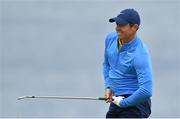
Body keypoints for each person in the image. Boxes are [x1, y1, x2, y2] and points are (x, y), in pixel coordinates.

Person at [103, 8, 153, 118]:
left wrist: (123, 103)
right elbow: (106, 64)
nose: (117, 28)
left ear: (135, 27)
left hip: (137, 105)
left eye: (122, 25)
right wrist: (108, 86)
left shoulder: (140, 54)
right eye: (116, 24)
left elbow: (146, 91)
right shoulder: (110, 39)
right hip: (116, 101)